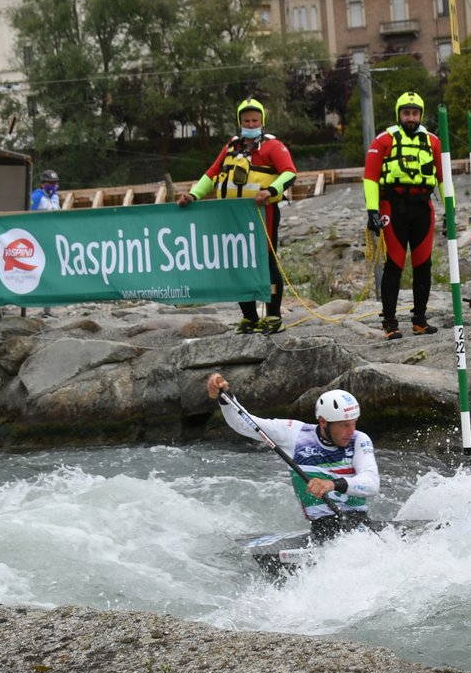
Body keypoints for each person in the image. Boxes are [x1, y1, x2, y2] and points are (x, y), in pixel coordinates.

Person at [205, 371, 378, 540]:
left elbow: (371, 484)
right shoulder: (295, 433)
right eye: (344, 425)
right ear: (324, 422)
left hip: (359, 522)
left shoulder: (359, 440)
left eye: (354, 423)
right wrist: (225, 397)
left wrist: (332, 484)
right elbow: (245, 423)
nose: (351, 431)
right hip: (323, 528)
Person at [178, 98, 297, 334]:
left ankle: (273, 315)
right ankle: (250, 317)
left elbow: (289, 173)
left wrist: (270, 191)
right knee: (239, 263)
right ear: (239, 122)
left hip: (263, 213)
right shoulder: (231, 146)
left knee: (266, 262)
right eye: (246, 120)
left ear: (262, 121)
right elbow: (212, 174)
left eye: (254, 120)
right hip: (233, 215)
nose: (250, 124)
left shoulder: (273, 147)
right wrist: (193, 195)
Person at [363, 92, 444, 340]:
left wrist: (451, 212)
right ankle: (390, 322)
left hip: (422, 208)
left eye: (415, 113)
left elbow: (442, 180)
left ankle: (419, 319)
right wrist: (372, 211)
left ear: (421, 114)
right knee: (394, 265)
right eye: (406, 113)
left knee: (424, 265)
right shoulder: (383, 141)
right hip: (393, 207)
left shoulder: (433, 142)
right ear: (399, 114)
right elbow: (370, 178)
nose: (411, 117)